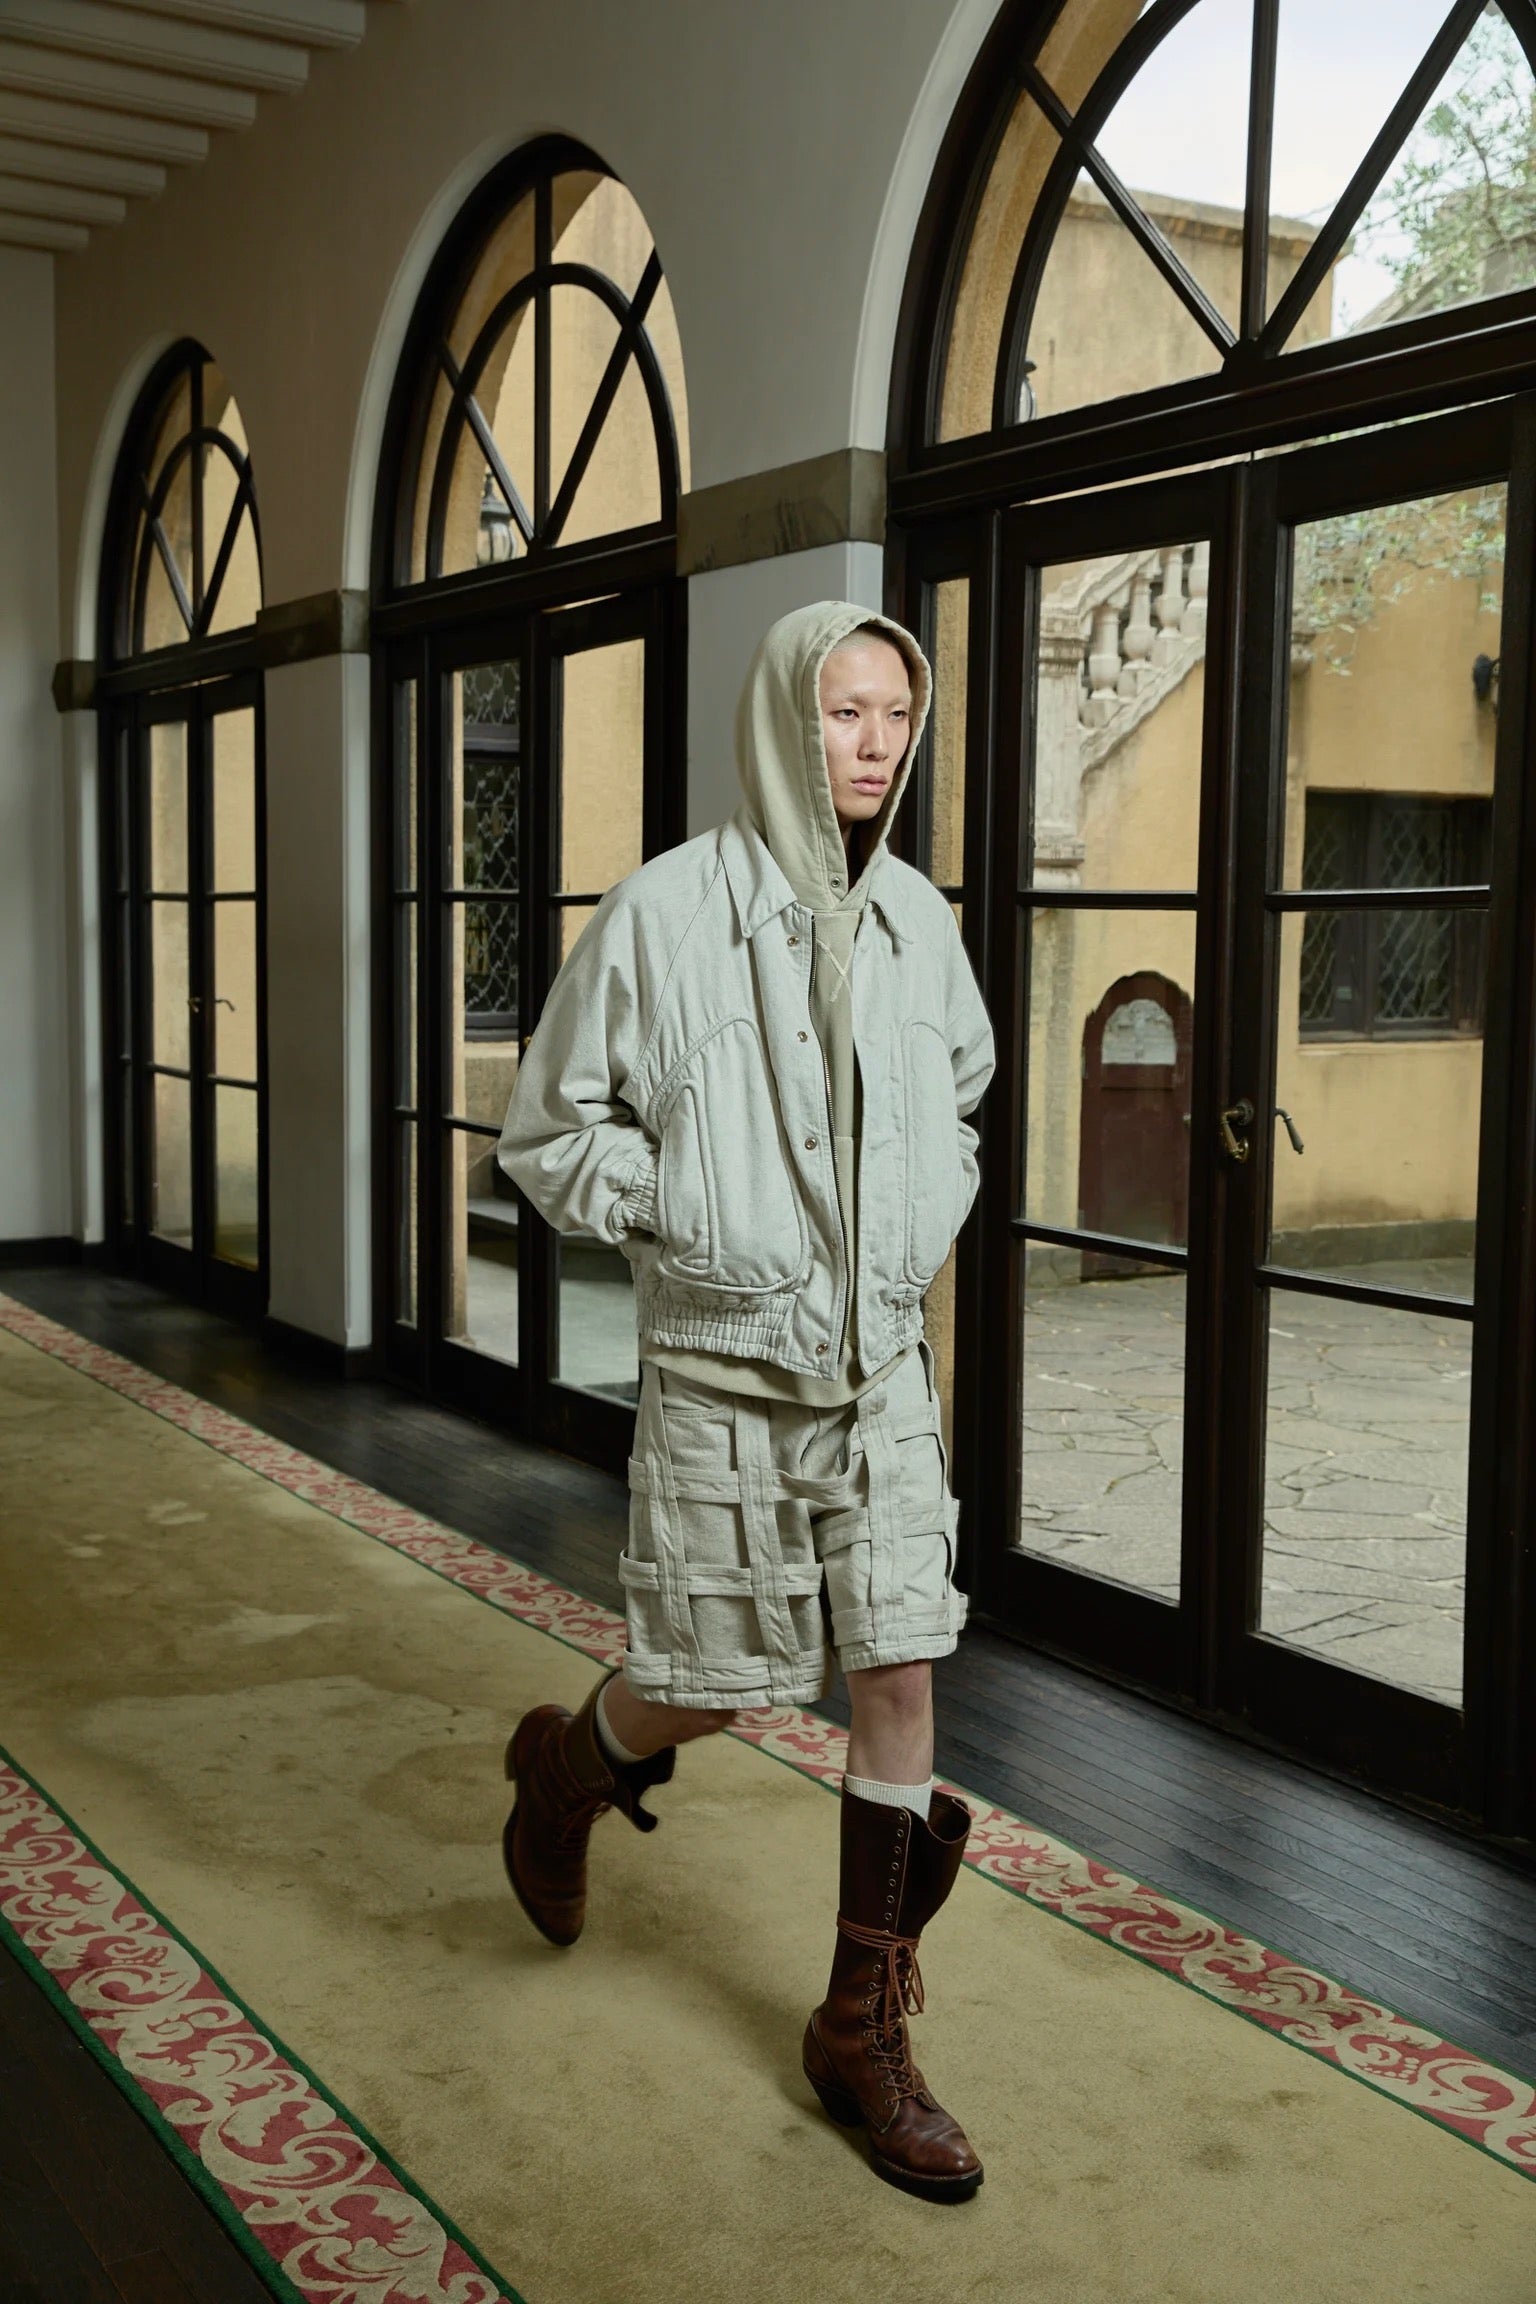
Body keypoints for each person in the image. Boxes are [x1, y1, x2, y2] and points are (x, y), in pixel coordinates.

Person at [496, 600, 995, 2202]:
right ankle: (573, 1769)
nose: (874, 744)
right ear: (787, 717)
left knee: (899, 1670)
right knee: (716, 1686)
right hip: (722, 1369)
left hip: (879, 1370)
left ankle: (860, 2028)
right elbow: (549, 1132)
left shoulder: (919, 921)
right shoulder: (663, 913)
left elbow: (963, 1098)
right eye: (845, 712)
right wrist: (693, 1212)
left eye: (896, 716)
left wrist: (919, 1221)